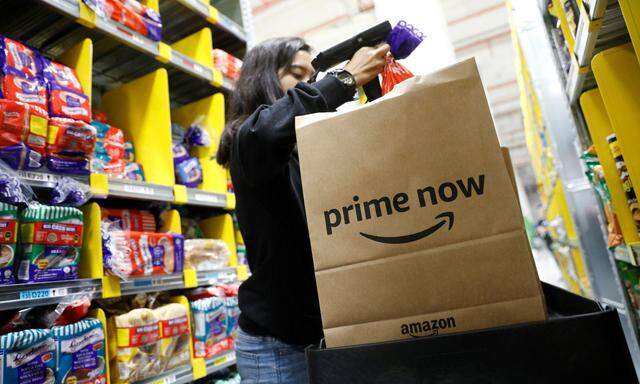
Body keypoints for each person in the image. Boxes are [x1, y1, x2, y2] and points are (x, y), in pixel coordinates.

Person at [217, 37, 390, 383]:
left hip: (321, 334)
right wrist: (343, 79)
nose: (309, 82)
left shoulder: (303, 150)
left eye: (314, 75)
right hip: (277, 344)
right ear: (263, 79)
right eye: (297, 73)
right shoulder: (248, 141)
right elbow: (267, 132)